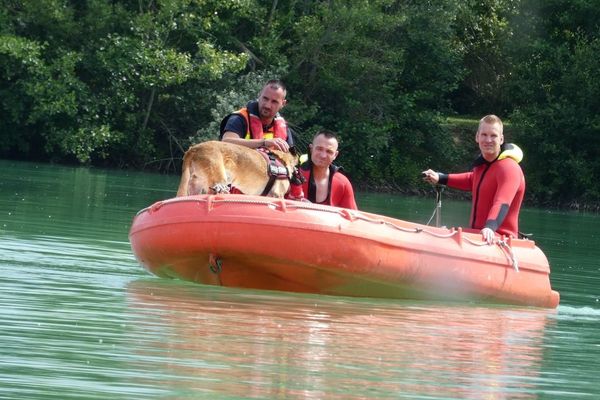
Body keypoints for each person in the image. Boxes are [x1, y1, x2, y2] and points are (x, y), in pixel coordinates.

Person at [422, 114, 525, 244]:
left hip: (500, 238)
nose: (488, 140)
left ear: (501, 139)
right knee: (445, 234)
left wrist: (490, 227)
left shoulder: (509, 168)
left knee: (449, 236)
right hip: (478, 236)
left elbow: (502, 202)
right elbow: (472, 180)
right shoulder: (482, 166)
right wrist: (441, 178)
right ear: (477, 137)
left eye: (493, 135)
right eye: (484, 135)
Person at [219, 79, 294, 153]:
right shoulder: (239, 118)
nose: (267, 105)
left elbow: (291, 159)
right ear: (259, 95)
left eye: (274, 102)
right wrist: (264, 142)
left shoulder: (284, 128)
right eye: (265, 98)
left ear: (283, 104)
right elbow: (226, 142)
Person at [298, 130, 358, 210]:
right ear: (311, 149)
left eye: (329, 151)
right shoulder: (294, 176)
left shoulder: (343, 183)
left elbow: (352, 217)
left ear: (335, 155)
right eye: (319, 149)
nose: (323, 155)